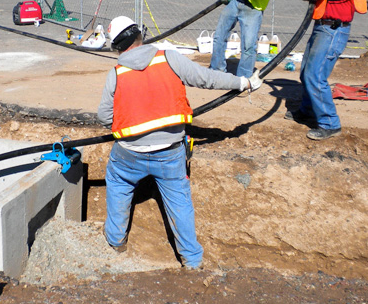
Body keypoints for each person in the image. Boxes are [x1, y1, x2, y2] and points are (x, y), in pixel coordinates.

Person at [97, 16, 262, 269]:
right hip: (170, 153)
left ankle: (116, 242)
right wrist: (244, 82)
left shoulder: (116, 74)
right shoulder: (168, 58)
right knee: (178, 201)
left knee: (118, 184)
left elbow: (105, 117)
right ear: (140, 35)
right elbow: (208, 78)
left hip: (129, 153)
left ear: (118, 47)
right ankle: (192, 260)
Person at [285, 0, 367, 140]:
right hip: (327, 26)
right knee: (307, 72)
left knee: (315, 75)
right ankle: (308, 112)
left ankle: (329, 123)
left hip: (332, 28)